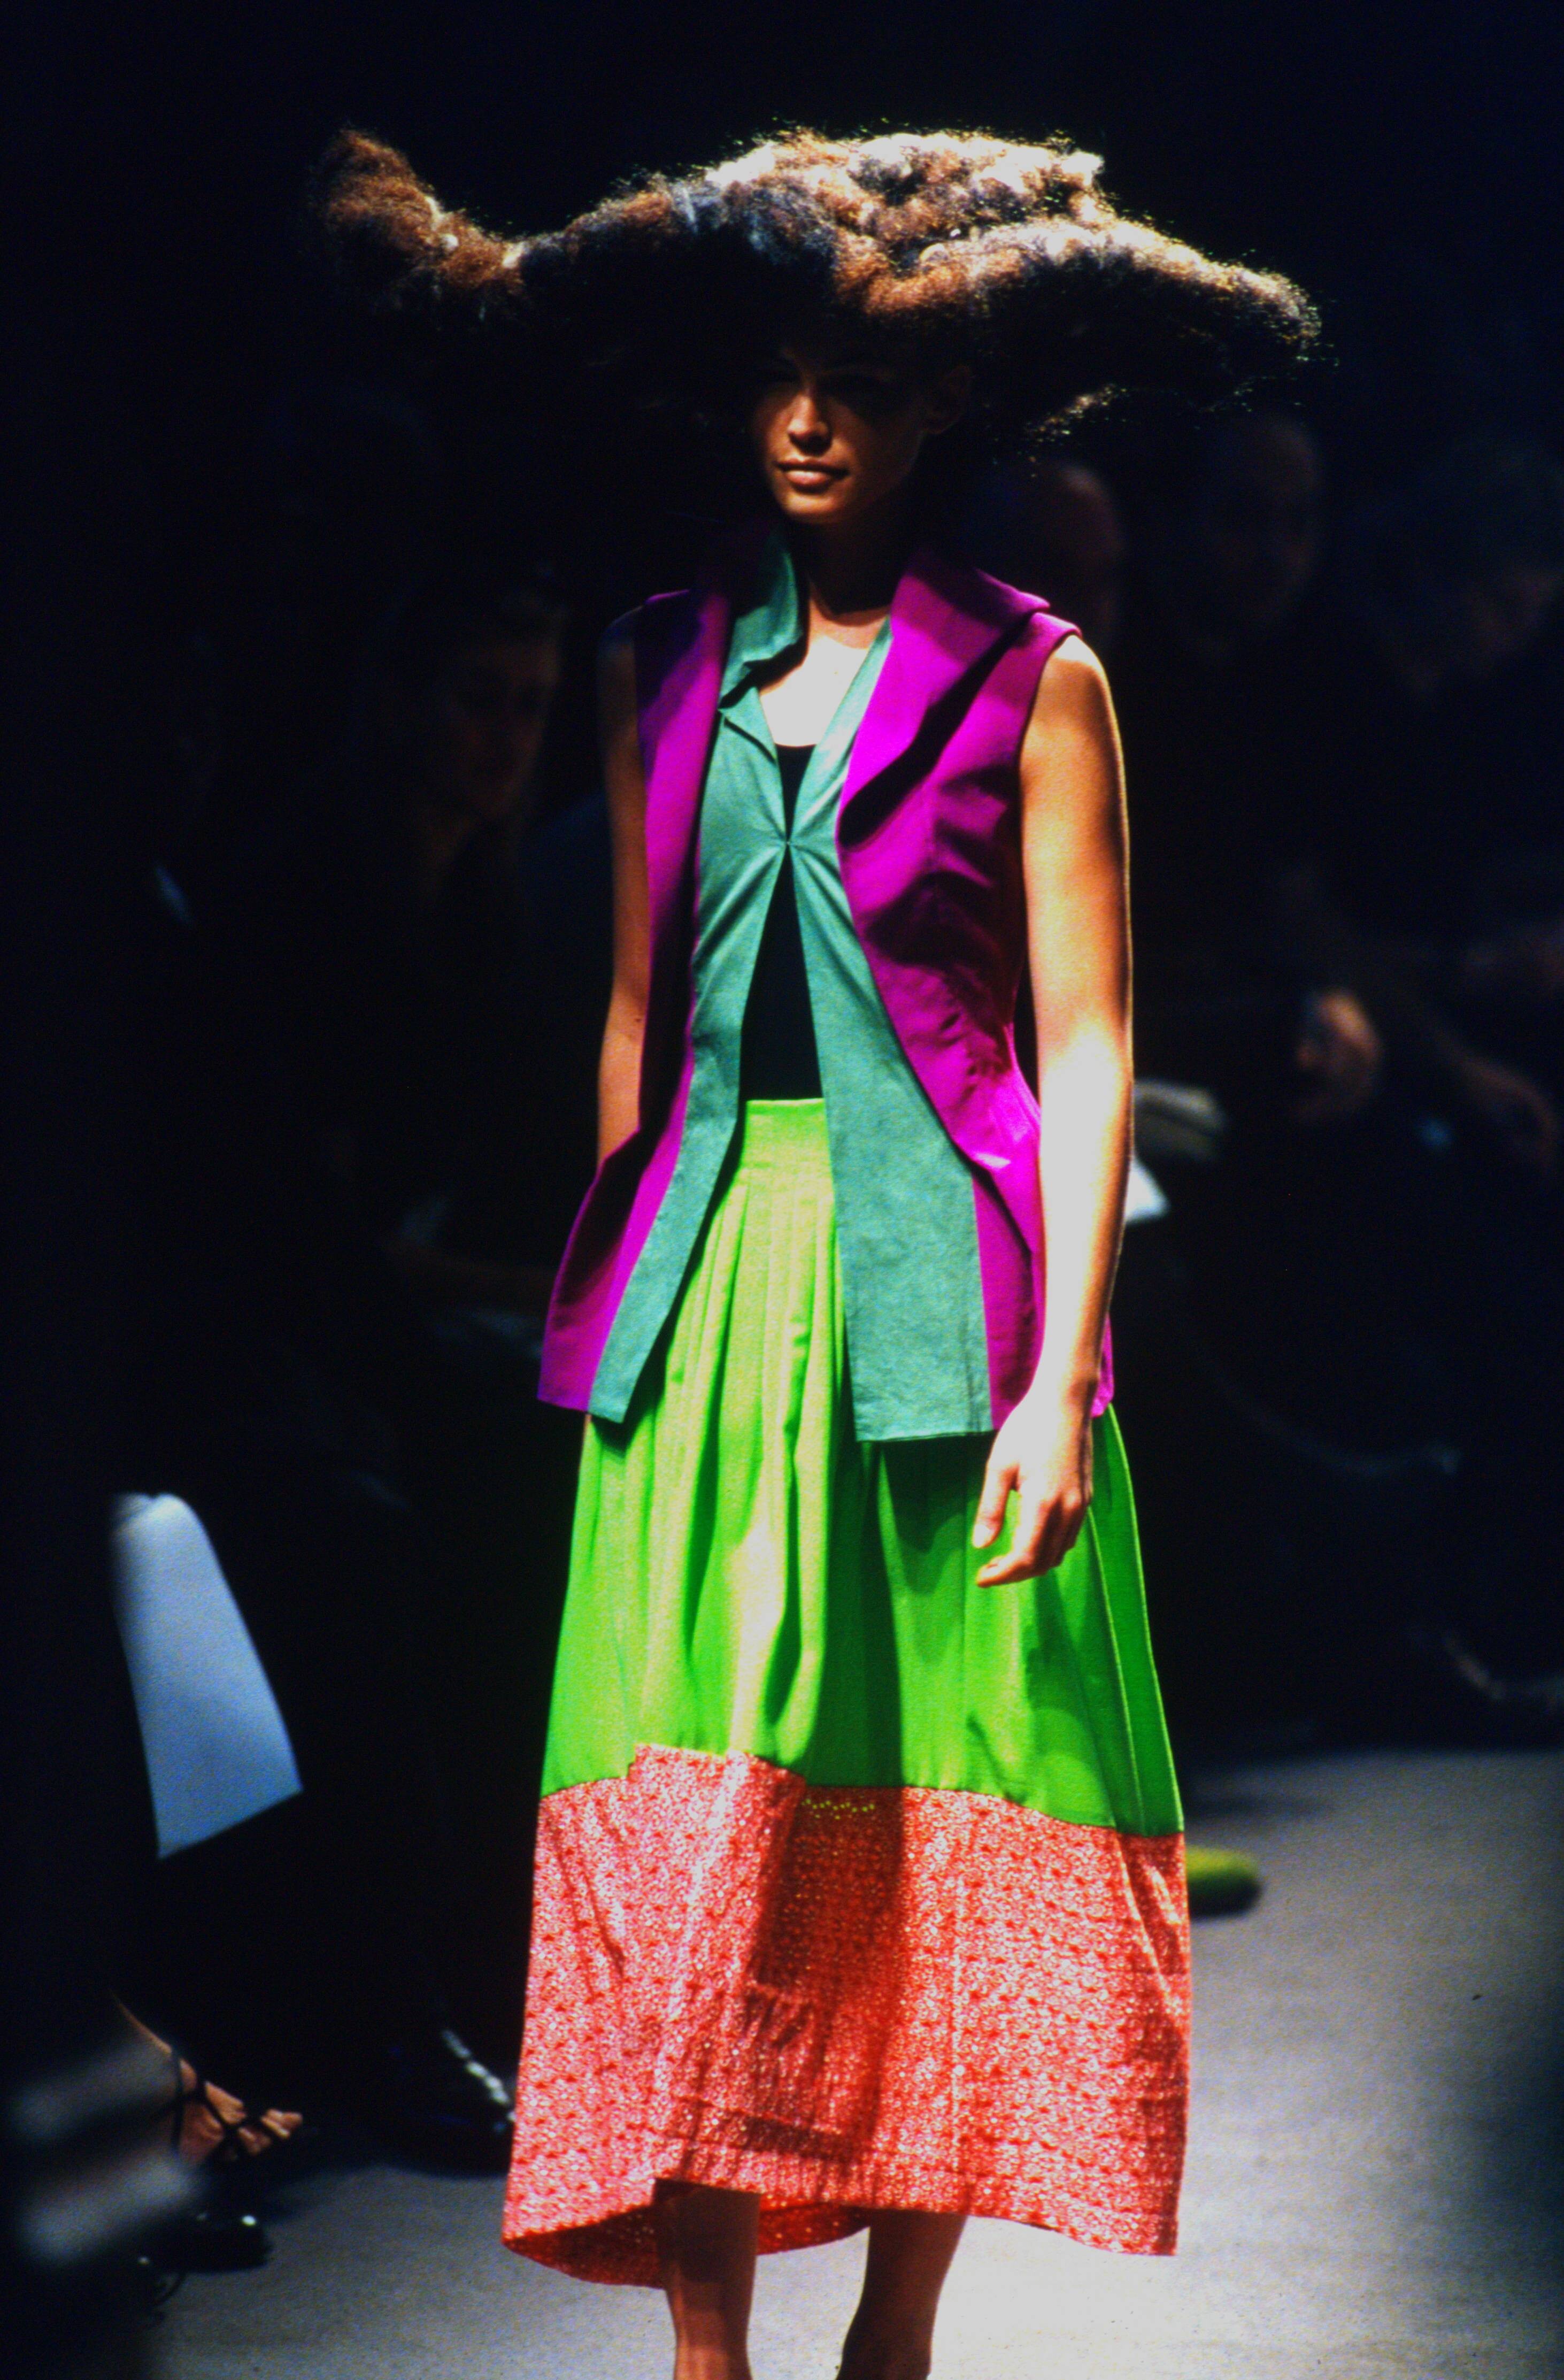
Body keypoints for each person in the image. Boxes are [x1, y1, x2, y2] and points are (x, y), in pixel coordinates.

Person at [319, 128, 1314, 2378]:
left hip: (939, 1307)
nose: (804, 418)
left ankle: (894, 2333)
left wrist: (1061, 1377)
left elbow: (1087, 1040)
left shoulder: (1036, 679)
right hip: (705, 1300)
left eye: (856, 382)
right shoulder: (654, 662)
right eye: (776, 373)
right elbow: (636, 1010)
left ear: (946, 399)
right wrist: (615, 1308)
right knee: (698, 1844)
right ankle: (707, 2347)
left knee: (934, 1827)